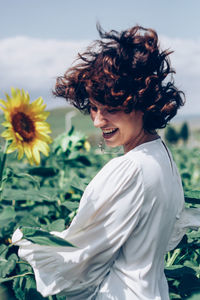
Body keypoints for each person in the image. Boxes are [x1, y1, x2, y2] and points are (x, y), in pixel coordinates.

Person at [12, 25, 200, 300]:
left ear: (142, 104)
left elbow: (77, 258)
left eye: (111, 109)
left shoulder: (130, 169)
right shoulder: (162, 157)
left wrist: (19, 243)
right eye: (94, 108)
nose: (99, 121)